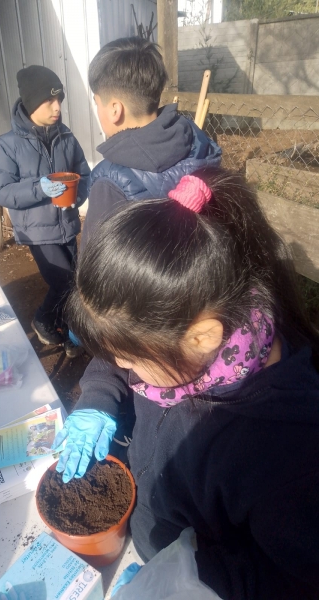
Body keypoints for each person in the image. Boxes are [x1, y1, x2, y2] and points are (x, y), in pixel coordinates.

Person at [53, 168, 319, 599]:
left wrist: (187, 577)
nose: (119, 363)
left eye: (131, 355)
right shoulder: (183, 336)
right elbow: (119, 354)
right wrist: (99, 398)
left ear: (202, 337)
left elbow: (294, 580)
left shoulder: (284, 449)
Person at [81, 36, 221, 250]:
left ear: (115, 110)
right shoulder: (200, 143)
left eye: (97, 102)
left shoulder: (109, 184)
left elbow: (94, 270)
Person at [0, 65, 90, 357]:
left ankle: (53, 322)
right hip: (37, 230)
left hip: (67, 224)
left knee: (72, 281)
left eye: (60, 100)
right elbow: (1, 191)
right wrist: (39, 187)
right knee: (66, 283)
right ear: (32, 103)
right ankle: (56, 327)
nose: (57, 108)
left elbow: (83, 173)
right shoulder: (7, 146)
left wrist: (78, 194)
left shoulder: (66, 137)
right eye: (49, 101)